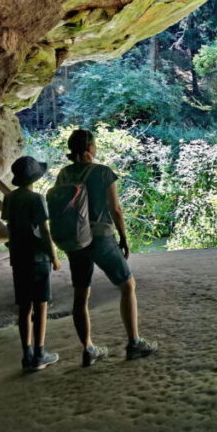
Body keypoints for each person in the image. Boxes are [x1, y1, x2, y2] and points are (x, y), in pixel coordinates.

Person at [56, 128, 157, 366]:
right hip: (101, 237)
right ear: (91, 148)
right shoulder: (103, 173)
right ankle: (134, 343)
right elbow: (116, 209)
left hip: (76, 239)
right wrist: (123, 237)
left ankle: (89, 348)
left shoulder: (63, 175)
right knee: (127, 285)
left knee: (81, 295)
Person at [1, 156, 60, 372]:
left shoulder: (9, 198)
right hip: (38, 257)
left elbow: (10, 226)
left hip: (19, 258)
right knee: (41, 305)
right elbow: (44, 230)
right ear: (35, 177)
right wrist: (53, 256)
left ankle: (26, 355)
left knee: (24, 307)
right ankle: (40, 354)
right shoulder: (37, 198)